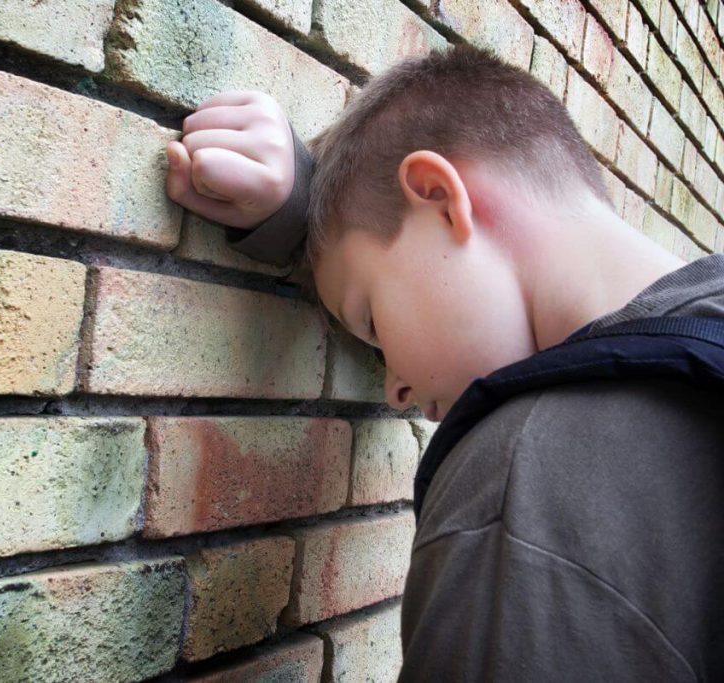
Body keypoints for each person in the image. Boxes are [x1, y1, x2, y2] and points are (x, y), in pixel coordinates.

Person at [164, 43, 724, 681]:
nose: (396, 390)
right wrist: (306, 217)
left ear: (438, 194)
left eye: (372, 324)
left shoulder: (522, 488)